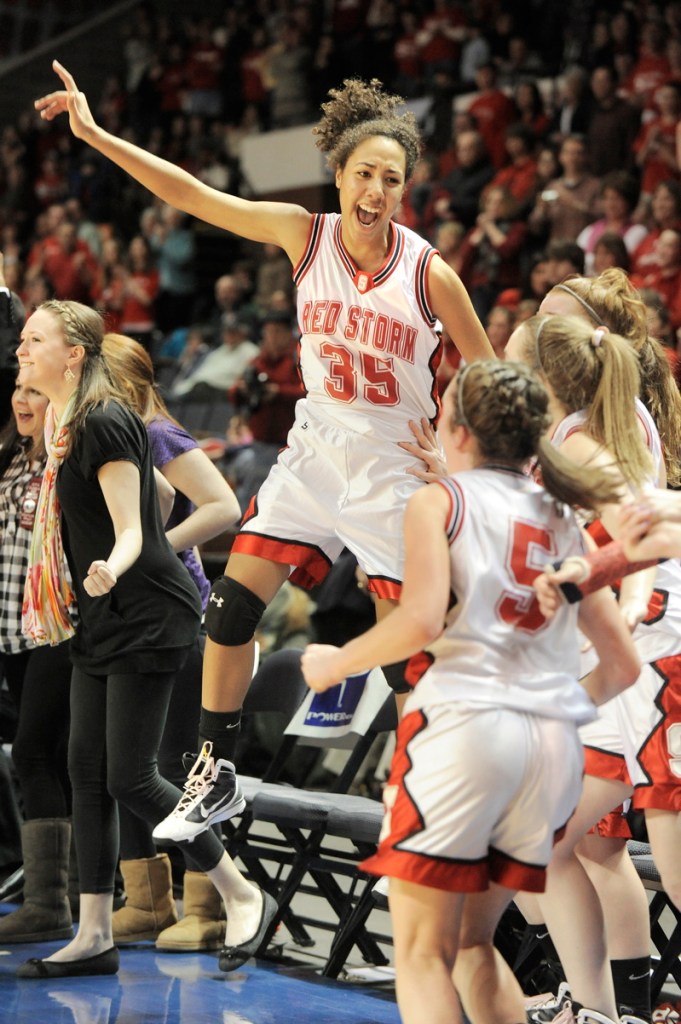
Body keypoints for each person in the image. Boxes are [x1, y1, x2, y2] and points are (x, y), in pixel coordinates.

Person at [34, 65, 494, 849]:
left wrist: (459, 452)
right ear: (339, 176)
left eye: (391, 178)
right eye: (362, 173)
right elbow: (191, 195)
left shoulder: (428, 272)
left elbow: (488, 376)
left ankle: (438, 783)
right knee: (233, 609)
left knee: (406, 656)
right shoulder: (301, 233)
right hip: (314, 454)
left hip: (392, 472)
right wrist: (95, 134)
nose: (374, 189)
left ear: (405, 189)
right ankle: (213, 769)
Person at [301, 359, 639, 1024]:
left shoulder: (440, 502)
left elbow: (420, 620)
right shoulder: (563, 519)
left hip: (464, 732)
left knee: (423, 953)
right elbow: (621, 667)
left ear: (455, 430)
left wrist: (336, 662)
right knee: (470, 946)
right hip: (546, 748)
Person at [13, 300, 275, 979]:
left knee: (133, 775)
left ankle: (241, 892)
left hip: (147, 611)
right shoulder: (67, 422)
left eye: (32, 338)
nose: (20, 348)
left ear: (72, 353)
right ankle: (94, 931)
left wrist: (114, 563)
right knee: (86, 773)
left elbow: (137, 523)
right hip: (100, 614)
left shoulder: (102, 421)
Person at [506, 309, 681, 1023]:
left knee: (673, 871)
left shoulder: (581, 444)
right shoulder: (574, 431)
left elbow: (644, 530)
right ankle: (594, 1009)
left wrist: (604, 579)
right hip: (619, 672)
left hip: (657, 662)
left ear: (540, 378)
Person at [100, 332, 241, 953]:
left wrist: (160, 546)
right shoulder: (113, 436)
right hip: (132, 615)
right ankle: (149, 899)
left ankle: (207, 905)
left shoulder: (157, 434)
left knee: (180, 761)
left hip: (178, 613)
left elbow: (224, 506)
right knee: (127, 761)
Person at [0, 375, 74, 944]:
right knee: (46, 755)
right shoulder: (13, 457)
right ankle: (66, 896)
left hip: (57, 629)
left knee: (35, 752)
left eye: (35, 393)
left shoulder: (67, 456)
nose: (22, 401)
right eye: (19, 391)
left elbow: (163, 499)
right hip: (12, 634)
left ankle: (49, 901)